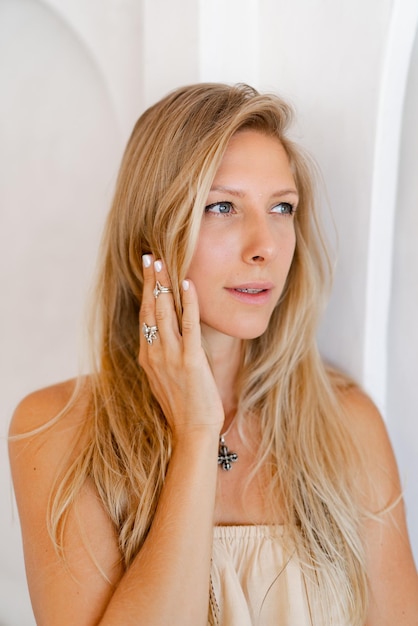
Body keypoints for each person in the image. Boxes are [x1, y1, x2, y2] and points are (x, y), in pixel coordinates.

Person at [9, 83, 418, 626]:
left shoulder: (346, 424)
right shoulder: (57, 429)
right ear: (149, 235)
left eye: (282, 208)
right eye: (223, 206)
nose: (265, 246)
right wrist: (198, 434)